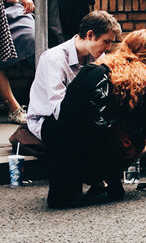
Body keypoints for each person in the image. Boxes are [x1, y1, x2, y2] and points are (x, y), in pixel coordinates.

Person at [46, 29, 146, 208]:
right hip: (98, 146)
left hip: (65, 144)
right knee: (139, 142)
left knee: (110, 132)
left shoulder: (101, 65)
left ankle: (101, 180)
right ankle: (107, 178)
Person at [27, 10, 121, 143]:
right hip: (47, 119)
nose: (108, 47)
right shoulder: (53, 59)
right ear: (90, 35)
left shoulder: (98, 56)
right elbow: (60, 111)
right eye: (106, 42)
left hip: (81, 115)